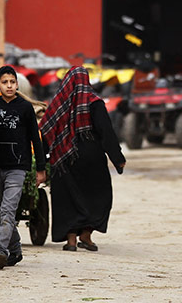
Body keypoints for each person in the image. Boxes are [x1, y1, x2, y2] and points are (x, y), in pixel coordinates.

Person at [39, 66, 126, 252]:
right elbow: (106, 132)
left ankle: (71, 240)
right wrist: (117, 158)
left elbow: (46, 131)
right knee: (98, 195)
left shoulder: (58, 104)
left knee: (67, 198)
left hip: (63, 160)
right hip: (91, 158)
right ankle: (86, 235)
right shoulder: (95, 102)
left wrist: (41, 161)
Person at [0, 66, 46, 269]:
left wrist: (40, 168)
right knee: (0, 210)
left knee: (7, 210)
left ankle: (0, 251)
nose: (9, 85)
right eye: (5, 82)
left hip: (17, 167)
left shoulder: (25, 107)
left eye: (12, 82)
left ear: (17, 84)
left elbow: (35, 140)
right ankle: (16, 249)